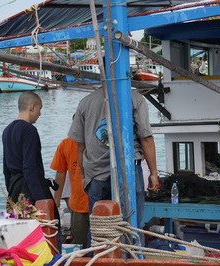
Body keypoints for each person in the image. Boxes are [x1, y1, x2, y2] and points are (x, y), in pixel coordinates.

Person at [68, 86, 161, 228]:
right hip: (129, 171)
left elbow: (80, 145)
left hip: (96, 173)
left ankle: (97, 250)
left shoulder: (86, 102)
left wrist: (82, 175)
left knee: (99, 228)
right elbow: (146, 138)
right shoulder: (135, 98)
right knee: (131, 226)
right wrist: (153, 173)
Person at [2, 91, 55, 205]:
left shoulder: (7, 130)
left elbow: (6, 168)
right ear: (32, 107)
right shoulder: (29, 130)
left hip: (14, 187)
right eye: (40, 109)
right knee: (49, 221)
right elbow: (29, 166)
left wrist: (11, 192)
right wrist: (41, 199)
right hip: (29, 188)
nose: (40, 114)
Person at [50, 137, 89, 248]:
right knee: (80, 241)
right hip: (78, 203)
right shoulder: (66, 144)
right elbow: (60, 172)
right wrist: (56, 199)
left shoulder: (98, 141)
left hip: (100, 200)